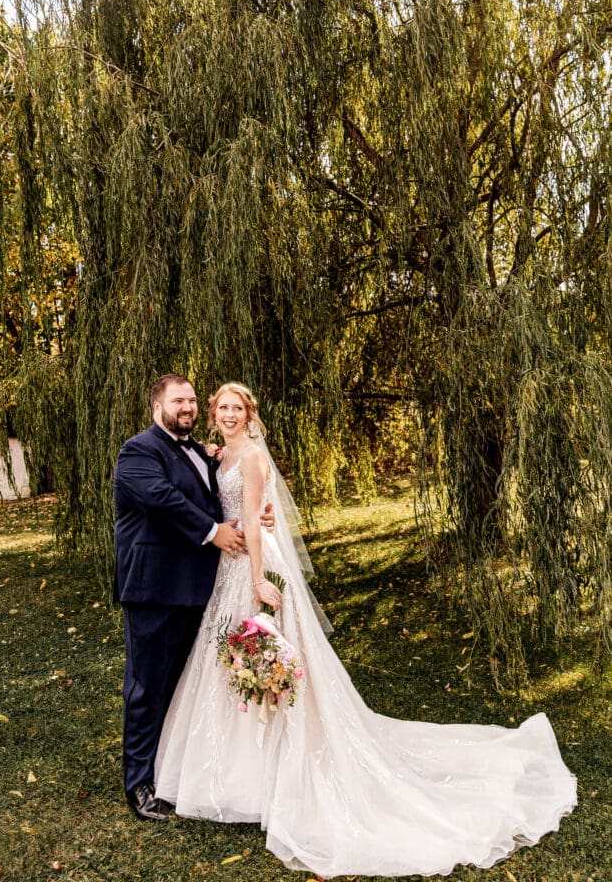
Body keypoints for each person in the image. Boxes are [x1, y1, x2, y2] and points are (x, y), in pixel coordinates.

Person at [154, 382, 577, 878]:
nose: (229, 414)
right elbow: (220, 491)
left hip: (251, 565)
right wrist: (212, 455)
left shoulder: (251, 460)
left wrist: (257, 585)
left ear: (250, 413)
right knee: (229, 664)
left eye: (237, 408)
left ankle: (261, 774)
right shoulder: (220, 453)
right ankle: (234, 773)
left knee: (265, 657)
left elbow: (250, 515)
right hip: (228, 562)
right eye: (221, 408)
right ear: (213, 414)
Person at [113, 374, 273, 821]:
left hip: (197, 588)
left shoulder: (204, 455)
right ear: (156, 406)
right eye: (176, 400)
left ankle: (167, 769)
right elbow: (163, 500)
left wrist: (251, 521)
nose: (186, 407)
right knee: (146, 685)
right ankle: (139, 784)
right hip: (153, 588)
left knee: (179, 683)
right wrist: (215, 531)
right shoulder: (138, 451)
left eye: (189, 400)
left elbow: (221, 500)